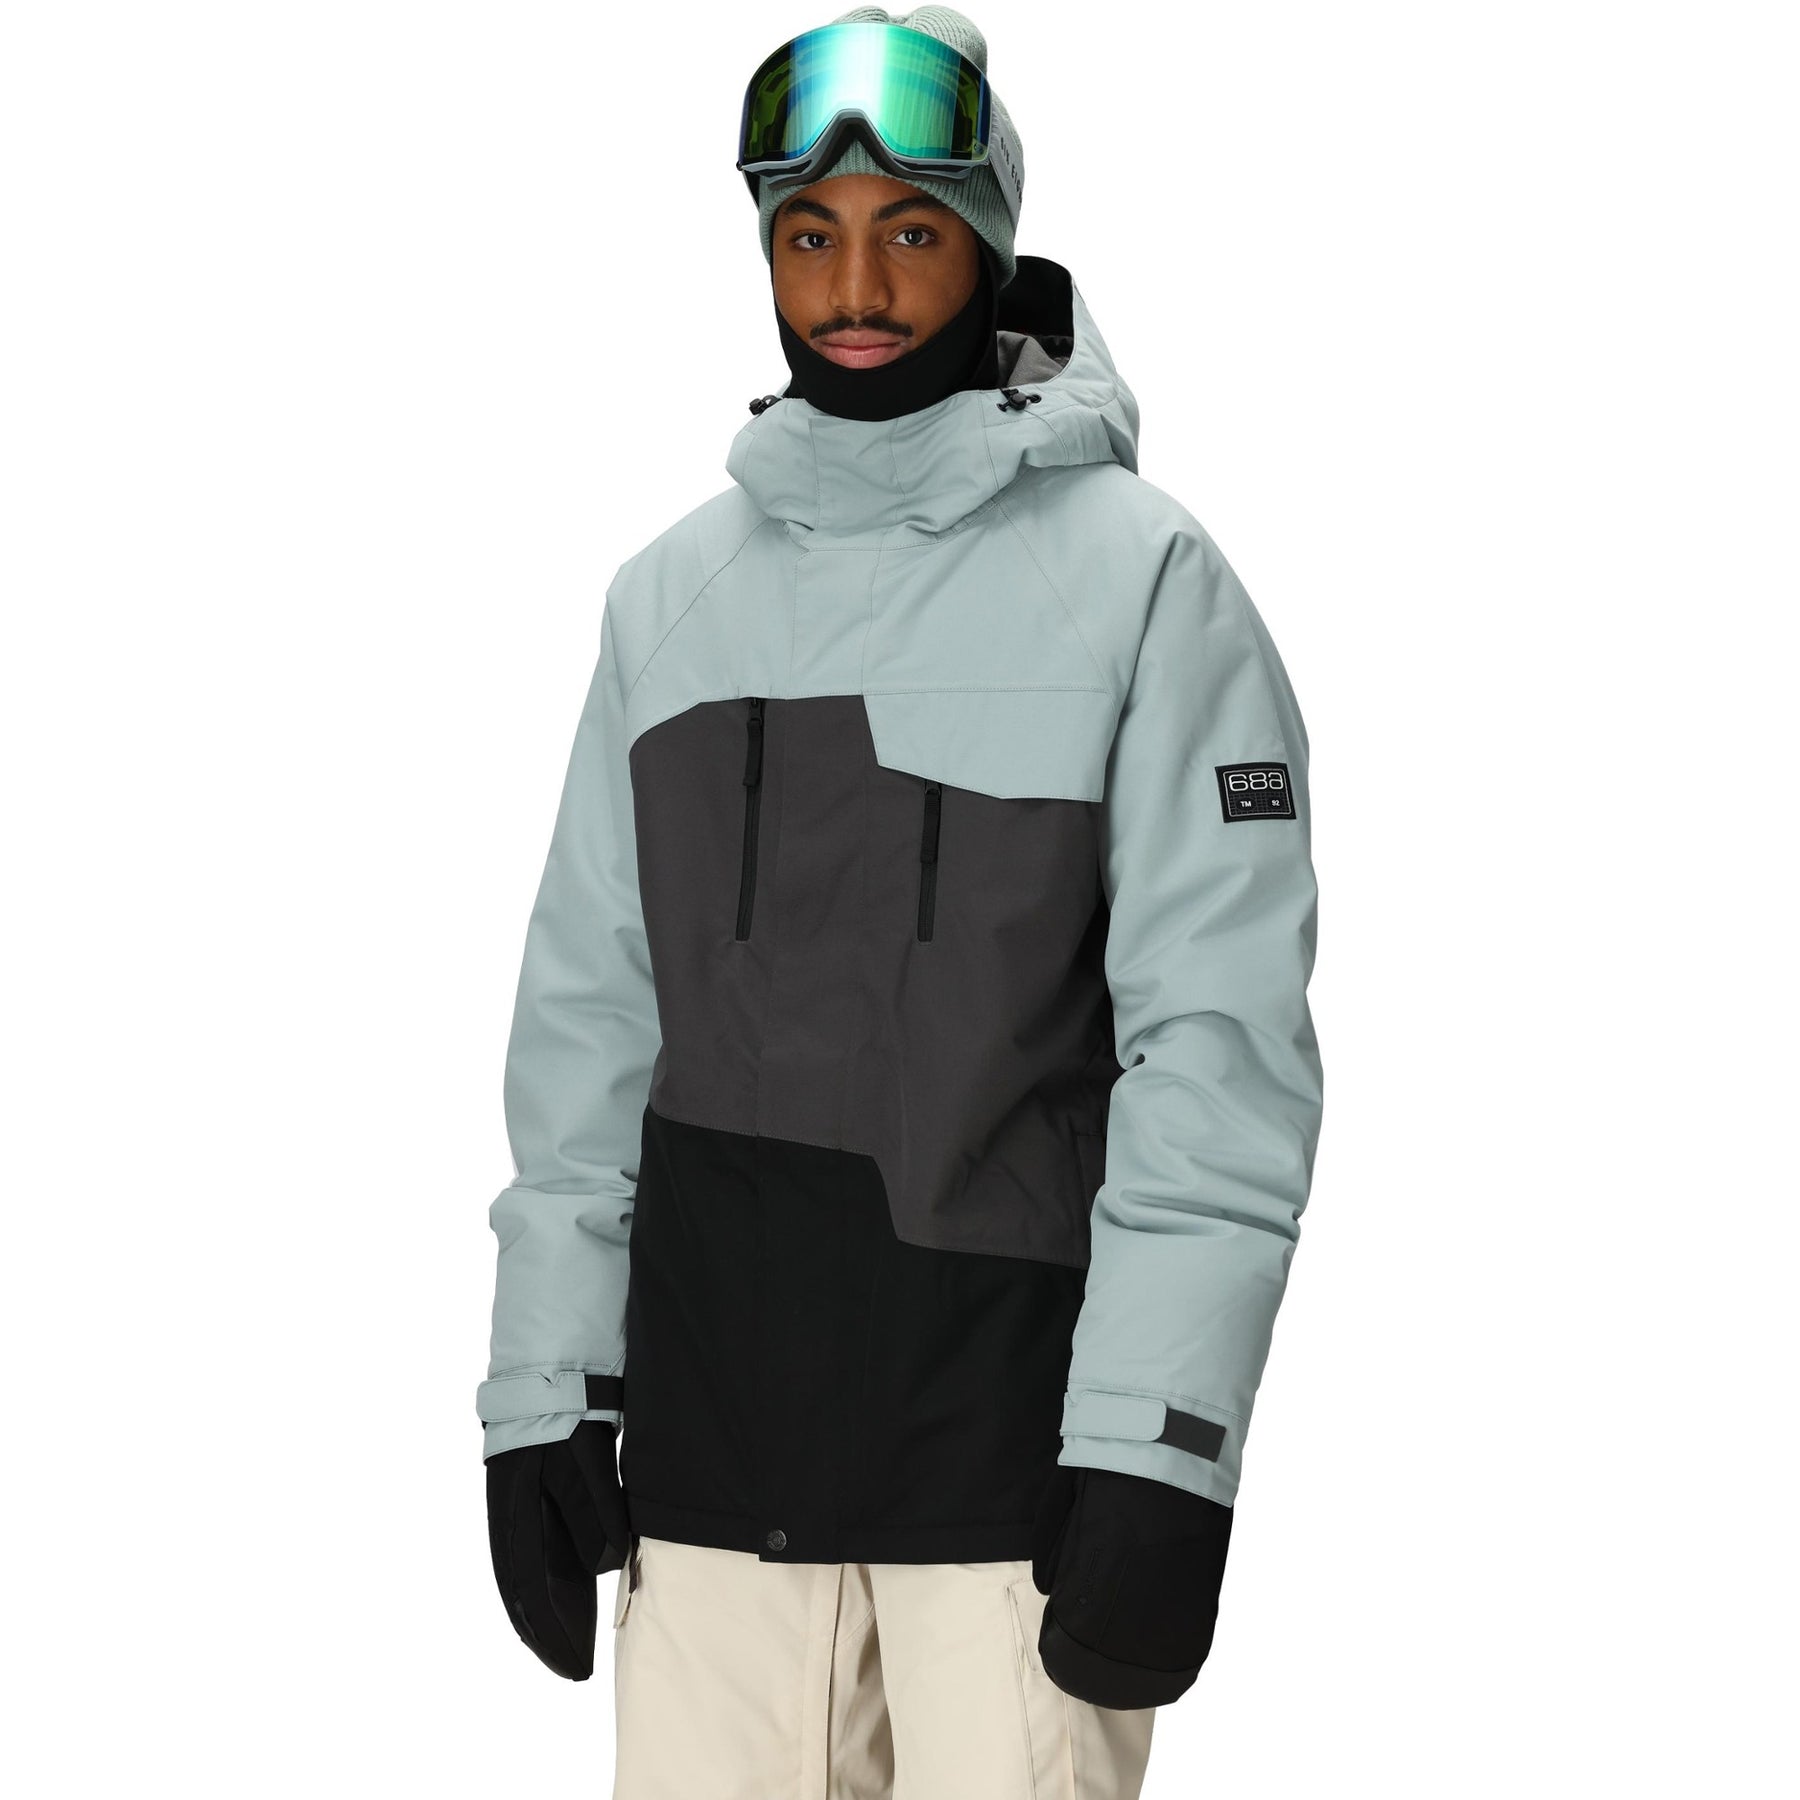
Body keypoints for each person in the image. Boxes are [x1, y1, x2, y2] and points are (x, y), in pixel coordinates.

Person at [477, 9, 1324, 1796]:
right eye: (809, 233)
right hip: (712, 1490)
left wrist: (1163, 1451)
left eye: (909, 230)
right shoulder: (667, 603)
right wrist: (548, 1389)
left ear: (991, 238)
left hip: (1010, 1495)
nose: (853, 285)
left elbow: (1217, 1051)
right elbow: (589, 1032)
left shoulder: (1146, 581)